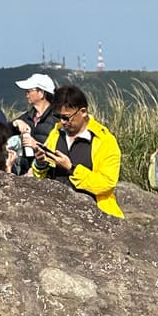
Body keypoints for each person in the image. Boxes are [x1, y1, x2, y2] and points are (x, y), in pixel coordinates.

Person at [30, 84, 123, 217]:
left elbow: (107, 184)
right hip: (55, 209)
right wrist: (40, 163)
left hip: (94, 213)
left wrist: (72, 169)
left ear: (83, 112)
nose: (62, 122)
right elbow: (41, 177)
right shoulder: (56, 134)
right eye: (58, 116)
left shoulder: (104, 140)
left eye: (66, 117)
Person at [13, 73, 58, 172]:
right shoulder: (25, 118)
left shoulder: (57, 120)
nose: (26, 94)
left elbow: (60, 152)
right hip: (25, 174)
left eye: (29, 91)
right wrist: (15, 123)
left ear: (41, 93)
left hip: (47, 174)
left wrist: (36, 145)